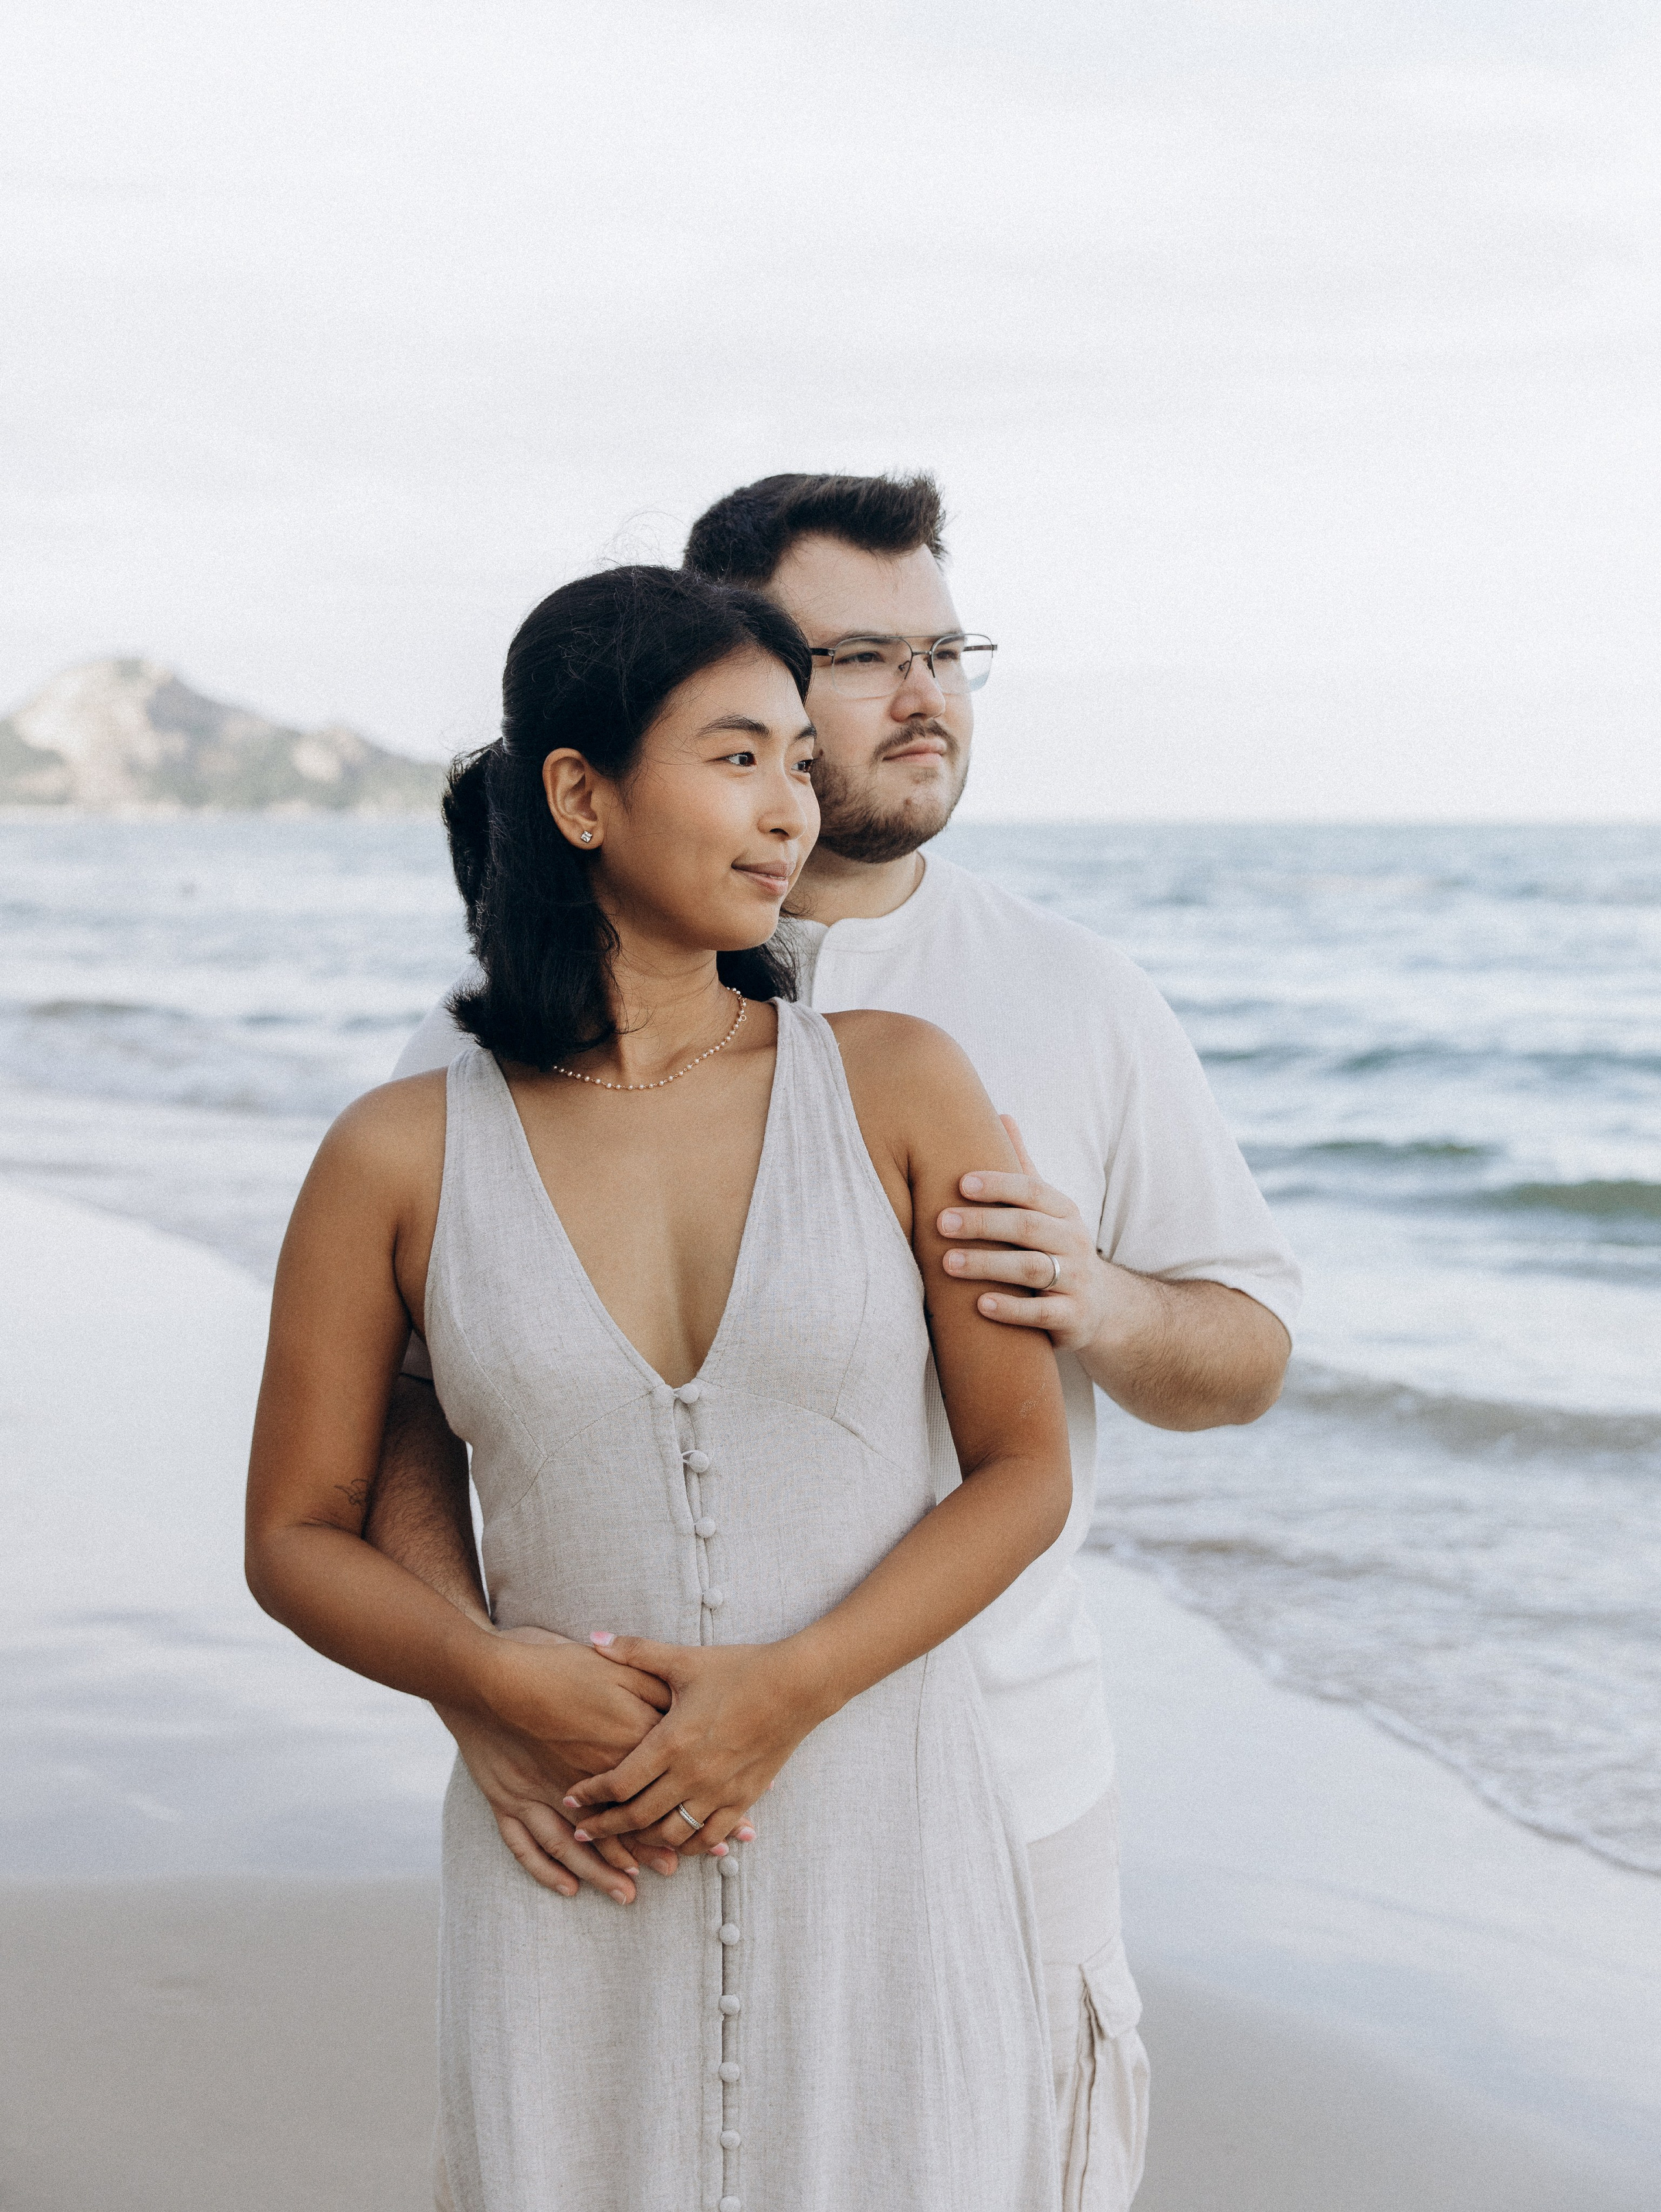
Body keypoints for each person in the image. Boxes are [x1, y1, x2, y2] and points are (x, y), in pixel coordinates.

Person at [377, 475, 1303, 2209]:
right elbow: (407, 1405)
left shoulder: (1072, 995)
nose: (920, 696)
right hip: (615, 1809)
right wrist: (474, 1688)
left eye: (946, 649)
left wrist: (1095, 1297)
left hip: (999, 1783)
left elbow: (1244, 1350)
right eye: (860, 656)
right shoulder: (495, 1038)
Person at [246, 565, 1074, 2212]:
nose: (792, 807)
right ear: (579, 792)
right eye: (735, 756)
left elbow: (1021, 1469)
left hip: (878, 1853)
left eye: (793, 757)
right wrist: (489, 1681)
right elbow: (298, 1530)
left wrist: (789, 1688)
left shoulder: (902, 1086)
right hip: (576, 1864)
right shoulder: (399, 1153)